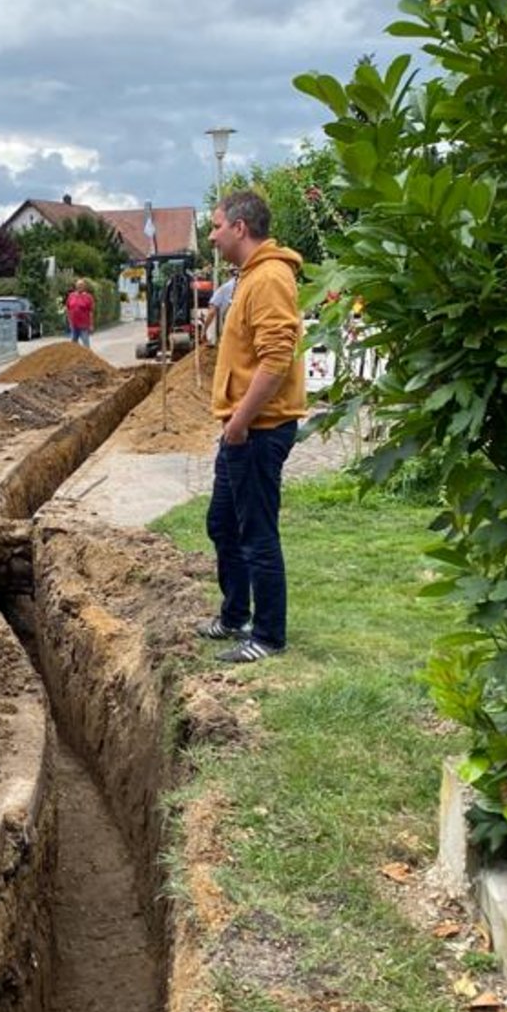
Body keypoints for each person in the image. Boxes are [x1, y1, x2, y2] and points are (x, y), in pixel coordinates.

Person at [198, 190, 306, 664]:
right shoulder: (249, 277)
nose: (212, 234)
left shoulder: (269, 279)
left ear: (240, 227)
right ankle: (235, 614)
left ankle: (267, 635)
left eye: (217, 225)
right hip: (241, 428)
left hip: (258, 430)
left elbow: (276, 359)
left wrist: (240, 423)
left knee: (256, 532)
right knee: (222, 522)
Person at [65, 278, 95, 347]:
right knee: (73, 345)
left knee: (86, 345)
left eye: (81, 285)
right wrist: (69, 322)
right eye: (78, 285)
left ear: (84, 287)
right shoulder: (71, 296)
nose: (79, 286)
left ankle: (87, 357)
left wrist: (91, 325)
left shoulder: (88, 297)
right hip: (73, 325)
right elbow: (67, 308)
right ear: (76, 286)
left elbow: (91, 312)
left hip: (84, 326)